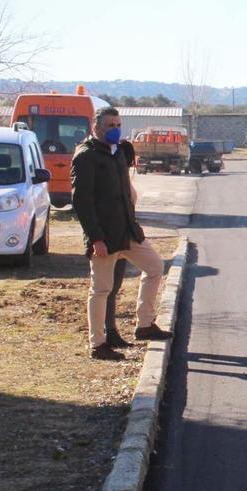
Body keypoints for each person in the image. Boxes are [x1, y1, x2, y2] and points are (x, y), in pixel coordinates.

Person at [71, 107, 172, 360]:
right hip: (104, 237)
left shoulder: (119, 153)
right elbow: (82, 203)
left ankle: (145, 325)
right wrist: (96, 239)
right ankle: (98, 344)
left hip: (128, 231)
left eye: (118, 124)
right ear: (97, 128)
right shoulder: (86, 157)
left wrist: (133, 226)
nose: (115, 129)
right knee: (101, 289)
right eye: (110, 126)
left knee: (155, 267)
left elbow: (126, 192)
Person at [103, 139, 139, 348]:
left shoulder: (124, 180)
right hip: (109, 239)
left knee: (113, 287)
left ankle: (113, 329)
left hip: (124, 237)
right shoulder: (112, 182)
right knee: (106, 288)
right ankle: (107, 332)